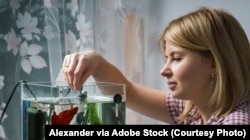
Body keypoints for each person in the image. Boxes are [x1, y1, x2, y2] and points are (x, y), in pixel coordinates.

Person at [62, 7, 250, 125]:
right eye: (166, 58)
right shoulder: (191, 110)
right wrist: (96, 62)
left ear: (213, 63)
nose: (163, 71)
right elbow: (130, 93)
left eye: (176, 58)